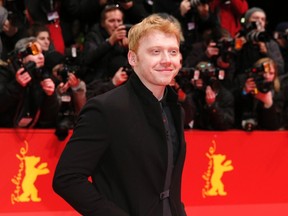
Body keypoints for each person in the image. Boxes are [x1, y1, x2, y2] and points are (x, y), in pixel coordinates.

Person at [53, 14, 187, 216]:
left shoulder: (174, 108)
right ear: (133, 58)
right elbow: (67, 178)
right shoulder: (105, 109)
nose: (166, 60)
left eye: (173, 51)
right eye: (155, 51)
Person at [0, 37, 59, 128]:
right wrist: (16, 85)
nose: (41, 56)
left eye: (42, 53)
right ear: (21, 57)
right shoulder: (5, 72)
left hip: (31, 134)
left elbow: (48, 120)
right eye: (35, 52)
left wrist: (50, 96)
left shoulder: (43, 77)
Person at [233, 57, 284, 131]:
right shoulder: (242, 82)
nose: (267, 76)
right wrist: (244, 92)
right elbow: (234, 112)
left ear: (275, 76)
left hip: (266, 133)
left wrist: (268, 103)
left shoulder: (278, 91)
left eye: (271, 73)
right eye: (264, 72)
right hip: (243, 130)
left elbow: (275, 125)